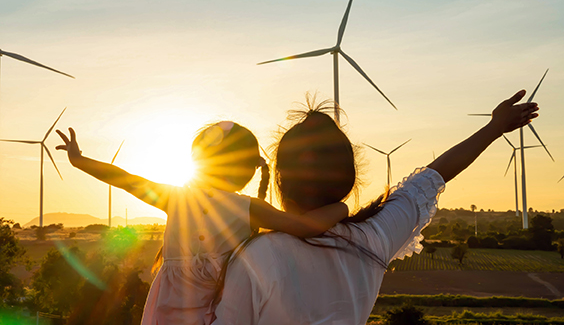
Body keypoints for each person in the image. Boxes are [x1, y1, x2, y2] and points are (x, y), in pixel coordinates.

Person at [212, 90, 539, 324]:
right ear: (350, 179)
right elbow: (434, 176)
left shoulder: (256, 258)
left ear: (280, 179)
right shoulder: (373, 237)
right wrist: (495, 128)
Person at [55, 121, 348, 325]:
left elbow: (125, 180)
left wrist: (79, 160)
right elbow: (306, 227)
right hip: (218, 311)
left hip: (173, 309)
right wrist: (341, 208)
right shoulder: (248, 208)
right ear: (246, 169)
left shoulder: (176, 197)